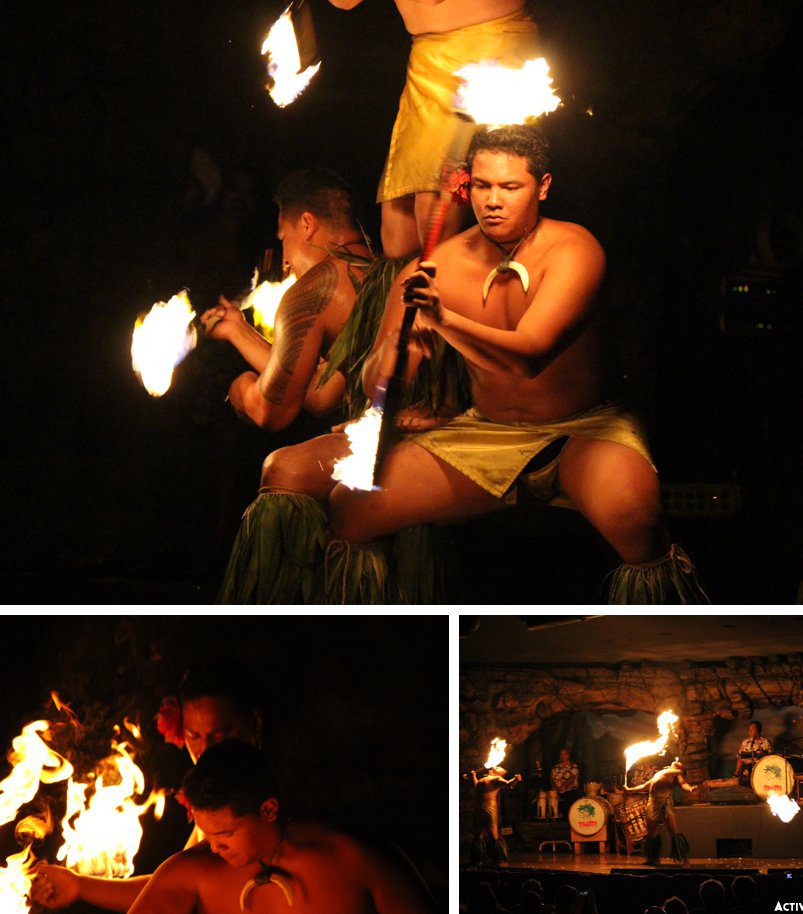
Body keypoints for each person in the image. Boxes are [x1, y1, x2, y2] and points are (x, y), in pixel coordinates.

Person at [262, 125, 707, 604]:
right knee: (351, 508)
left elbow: (528, 355)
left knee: (635, 517)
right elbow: (378, 381)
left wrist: (442, 320)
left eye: (510, 187)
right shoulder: (431, 270)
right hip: (486, 432)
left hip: (581, 430)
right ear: (466, 185)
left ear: (543, 187)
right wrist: (391, 359)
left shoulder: (575, 250)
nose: (493, 200)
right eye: (482, 186)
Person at [29, 664, 263, 911]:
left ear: (254, 723)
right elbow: (174, 885)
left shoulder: (261, 800)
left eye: (219, 735)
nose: (206, 750)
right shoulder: (212, 797)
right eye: (194, 736)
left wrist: (81, 886)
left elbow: (181, 886)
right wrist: (78, 885)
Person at [325, 1, 541, 258]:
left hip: (490, 43)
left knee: (433, 215)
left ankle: (461, 285)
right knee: (398, 239)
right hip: (427, 58)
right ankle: (411, 291)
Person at [122, 740, 439, 914]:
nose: (215, 847)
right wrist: (79, 885)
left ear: (268, 810)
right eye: (207, 833)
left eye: (226, 834)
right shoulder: (192, 870)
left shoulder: (354, 857)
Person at [201, 167, 372, 432]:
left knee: (278, 468)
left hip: (402, 445)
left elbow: (269, 413)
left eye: (284, 239)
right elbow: (320, 393)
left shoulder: (312, 290)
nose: (286, 260)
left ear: (306, 224)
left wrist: (242, 388)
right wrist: (237, 330)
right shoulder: (377, 269)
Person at [624, 760, 697, 865]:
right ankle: (653, 859)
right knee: (651, 834)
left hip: (664, 803)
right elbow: (646, 786)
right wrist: (629, 789)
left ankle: (685, 859)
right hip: (652, 803)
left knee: (674, 832)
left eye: (680, 763)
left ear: (681, 769)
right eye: (676, 761)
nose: (677, 761)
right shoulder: (660, 773)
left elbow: (684, 784)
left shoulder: (677, 774)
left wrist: (690, 789)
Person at [471, 765, 522, 866]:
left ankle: (499, 858)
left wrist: (516, 779)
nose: (497, 766)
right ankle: (478, 858)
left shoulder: (497, 779)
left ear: (498, 773)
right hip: (480, 808)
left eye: (499, 767)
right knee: (478, 835)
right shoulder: (483, 778)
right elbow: (477, 786)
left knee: (494, 834)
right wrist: (474, 776)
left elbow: (508, 784)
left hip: (490, 808)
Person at [734, 721, 772, 787]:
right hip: (747, 770)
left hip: (760, 768)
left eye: (752, 729)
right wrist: (736, 774)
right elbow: (740, 759)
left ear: (758, 730)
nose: (750, 731)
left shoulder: (765, 742)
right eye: (749, 729)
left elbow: (768, 758)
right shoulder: (745, 742)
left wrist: (758, 745)